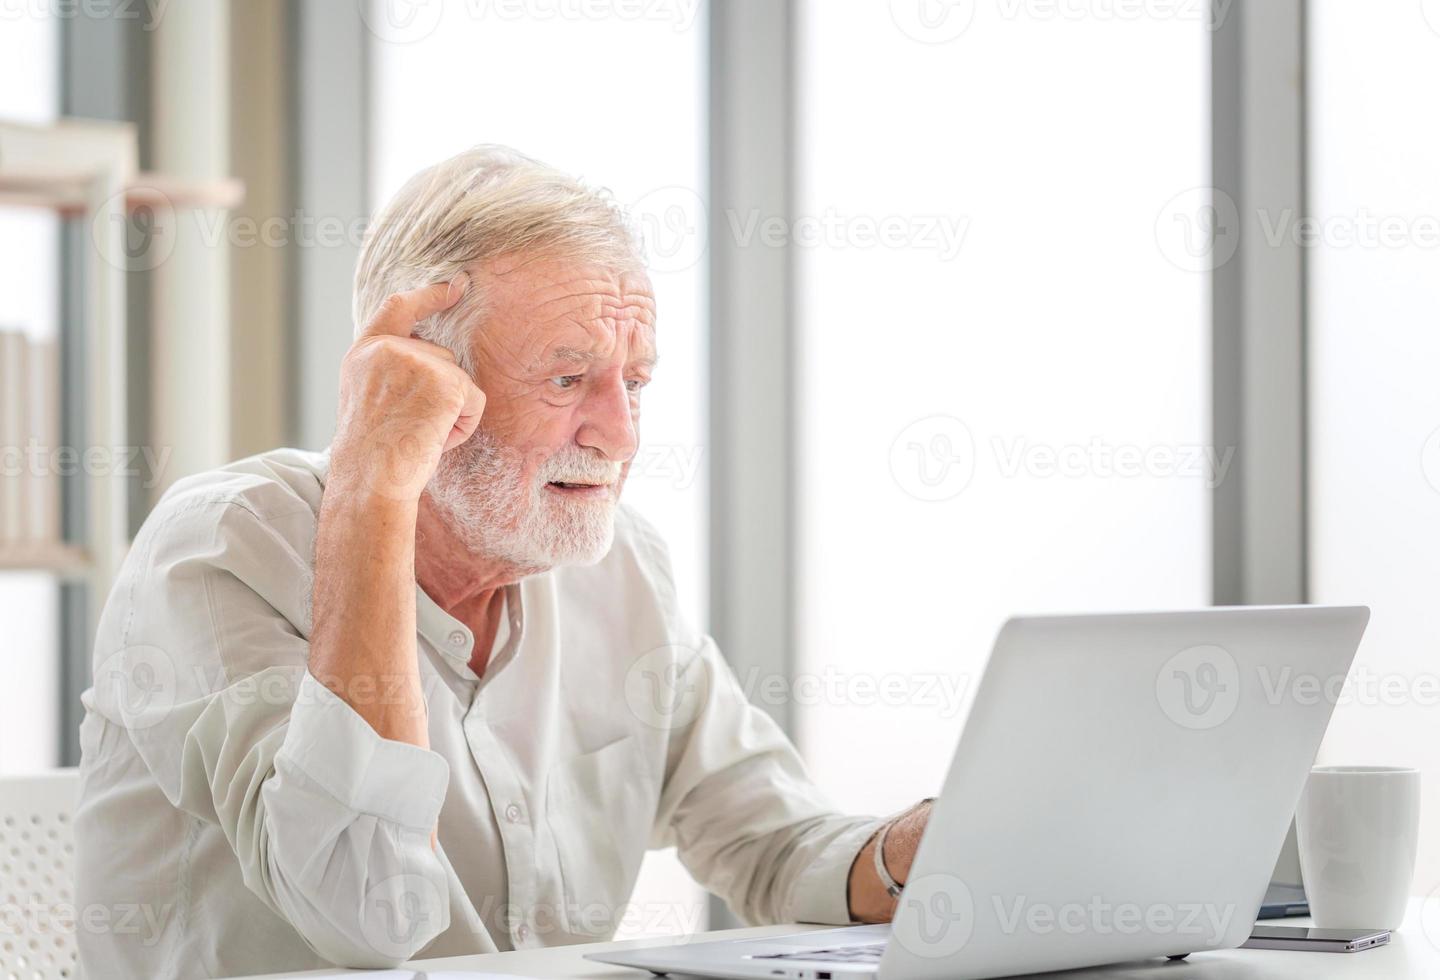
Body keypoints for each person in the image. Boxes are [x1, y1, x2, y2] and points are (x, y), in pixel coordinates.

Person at [73, 145, 932, 978]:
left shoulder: (622, 566)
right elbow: (363, 913)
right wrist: (374, 486)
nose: (621, 434)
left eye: (633, 383)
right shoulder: (222, 547)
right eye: (566, 381)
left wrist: (924, 846)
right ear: (420, 377)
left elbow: (773, 844)